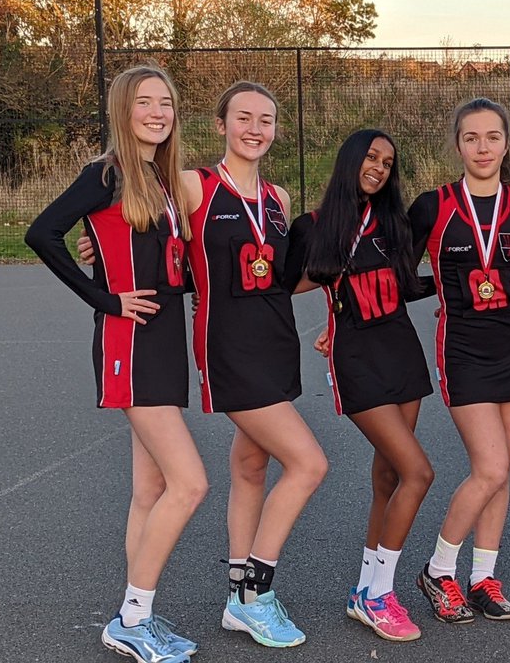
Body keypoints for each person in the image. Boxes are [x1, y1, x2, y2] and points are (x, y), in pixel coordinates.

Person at [27, 65, 206, 663]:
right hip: (130, 345)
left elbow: (152, 257)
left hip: (164, 342)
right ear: (124, 110)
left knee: (150, 489)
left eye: (167, 103)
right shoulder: (105, 173)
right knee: (190, 483)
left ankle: (140, 613)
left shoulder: (157, 178)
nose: (158, 112)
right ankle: (130, 617)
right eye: (145, 102)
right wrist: (105, 299)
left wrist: (105, 252)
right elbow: (41, 233)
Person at [189, 81, 328, 648]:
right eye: (243, 117)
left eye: (266, 120)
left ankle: (234, 599)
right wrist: (96, 249)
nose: (255, 128)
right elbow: (137, 228)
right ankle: (255, 594)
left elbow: (280, 279)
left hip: (275, 342)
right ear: (222, 123)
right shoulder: (192, 185)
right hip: (229, 349)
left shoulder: (278, 200)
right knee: (309, 464)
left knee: (251, 467)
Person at [284, 129, 435, 642]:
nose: (379, 168)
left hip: (403, 356)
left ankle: (364, 590)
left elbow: (407, 287)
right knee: (420, 473)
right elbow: (277, 281)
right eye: (371, 157)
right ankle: (378, 594)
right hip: (358, 362)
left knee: (390, 477)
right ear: (350, 159)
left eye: (388, 163)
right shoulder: (313, 227)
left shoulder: (395, 222)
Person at [410, 97, 510, 623]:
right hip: (462, 346)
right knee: (488, 468)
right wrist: (338, 317)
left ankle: (483, 577)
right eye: (471, 138)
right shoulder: (432, 204)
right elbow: (391, 271)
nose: (482, 148)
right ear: (457, 144)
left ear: (506, 143)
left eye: (492, 137)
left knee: (501, 472)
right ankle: (440, 570)